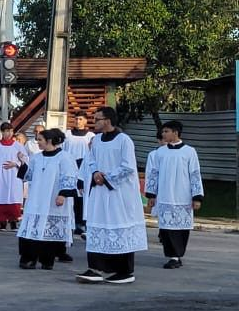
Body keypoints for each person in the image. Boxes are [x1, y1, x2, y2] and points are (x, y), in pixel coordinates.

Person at [76, 107, 147, 284]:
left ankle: (125, 271)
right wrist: (95, 173)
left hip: (118, 193)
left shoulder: (124, 140)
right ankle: (96, 268)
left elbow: (128, 166)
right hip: (100, 192)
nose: (94, 122)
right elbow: (90, 161)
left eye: (97, 119)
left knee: (119, 227)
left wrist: (107, 177)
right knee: (97, 227)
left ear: (107, 120)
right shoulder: (97, 140)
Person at [144, 120, 204, 270]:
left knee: (181, 228)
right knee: (166, 228)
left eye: (166, 131)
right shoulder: (160, 152)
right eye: (163, 132)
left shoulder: (189, 151)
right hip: (165, 195)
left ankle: (178, 255)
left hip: (183, 195)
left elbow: (195, 174)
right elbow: (153, 174)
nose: (163, 134)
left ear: (175, 133)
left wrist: (196, 197)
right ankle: (172, 256)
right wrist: (151, 194)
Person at [15, 128, 78, 269]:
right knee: (31, 228)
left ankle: (47, 260)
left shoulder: (65, 157)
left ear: (49, 141)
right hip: (37, 199)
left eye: (40, 140)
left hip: (53, 199)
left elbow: (69, 176)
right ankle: (28, 258)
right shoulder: (37, 158)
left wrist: (63, 194)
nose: (37, 142)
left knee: (48, 231)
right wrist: (22, 163)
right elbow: (29, 175)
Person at [0, 123, 29, 231]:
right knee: (1, 198)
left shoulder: (18, 146)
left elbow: (26, 160)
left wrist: (16, 163)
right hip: (1, 176)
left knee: (14, 198)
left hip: (14, 177)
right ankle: (2, 223)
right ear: (2, 132)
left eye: (10, 131)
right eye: (6, 131)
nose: (8, 133)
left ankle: (13, 222)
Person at [64, 114, 94, 235]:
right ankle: (72, 222)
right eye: (76, 119)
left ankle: (83, 222)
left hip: (85, 167)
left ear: (85, 121)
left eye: (80, 119)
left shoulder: (90, 136)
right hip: (70, 166)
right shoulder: (68, 134)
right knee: (71, 195)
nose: (78, 121)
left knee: (82, 196)